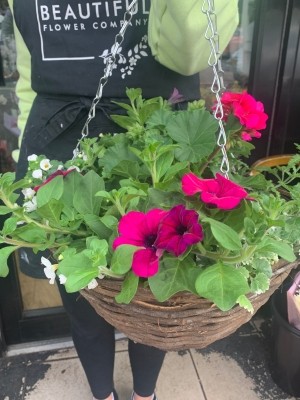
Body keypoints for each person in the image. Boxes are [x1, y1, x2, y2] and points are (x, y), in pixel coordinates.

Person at [7, 1, 239, 399]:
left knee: (151, 300)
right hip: (61, 145)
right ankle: (103, 395)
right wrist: (30, 166)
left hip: (150, 144)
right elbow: (32, 79)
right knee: (83, 298)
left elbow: (190, 50)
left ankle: (144, 394)